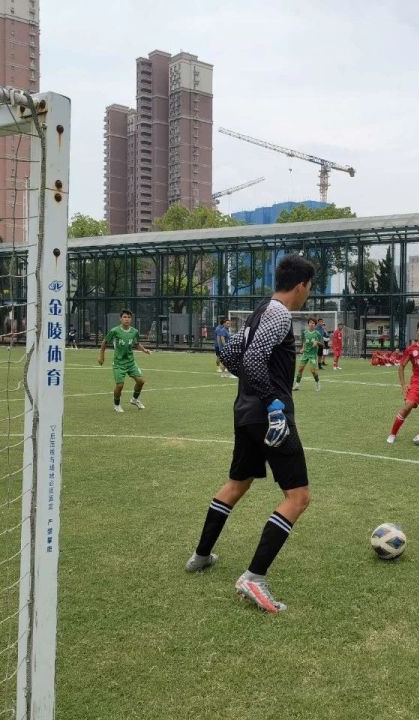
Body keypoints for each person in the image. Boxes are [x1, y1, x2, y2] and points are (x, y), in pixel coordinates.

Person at [185, 254, 316, 613]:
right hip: (268, 415)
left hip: (244, 411)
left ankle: (201, 556)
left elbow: (229, 354)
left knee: (237, 483)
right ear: (301, 284)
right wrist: (274, 403)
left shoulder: (260, 311)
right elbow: (255, 360)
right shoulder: (279, 314)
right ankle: (254, 578)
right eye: (310, 288)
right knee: (298, 496)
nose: (308, 294)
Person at [98, 309, 152, 412]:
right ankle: (116, 405)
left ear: (131, 319)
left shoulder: (134, 331)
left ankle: (134, 400)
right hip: (118, 363)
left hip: (130, 362)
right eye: (124, 317)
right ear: (120, 319)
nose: (126, 319)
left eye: (128, 317)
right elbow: (104, 342)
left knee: (141, 381)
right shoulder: (115, 331)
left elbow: (136, 344)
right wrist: (101, 356)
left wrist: (145, 350)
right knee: (120, 385)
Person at [293, 317, 322, 392]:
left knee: (313, 371)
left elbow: (322, 344)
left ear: (315, 325)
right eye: (310, 323)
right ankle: (297, 385)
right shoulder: (305, 333)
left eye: (313, 323)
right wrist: (302, 348)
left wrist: (317, 342)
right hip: (305, 353)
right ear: (308, 324)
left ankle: (317, 382)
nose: (311, 324)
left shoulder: (317, 333)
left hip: (313, 355)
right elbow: (304, 342)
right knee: (300, 369)